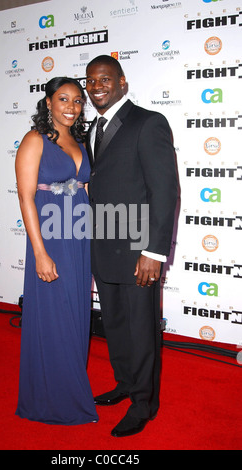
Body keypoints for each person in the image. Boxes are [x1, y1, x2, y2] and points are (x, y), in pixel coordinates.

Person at [85, 55, 178, 437]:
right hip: (103, 245)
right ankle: (124, 383)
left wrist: (154, 252)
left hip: (140, 251)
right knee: (117, 324)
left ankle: (144, 403)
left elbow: (165, 189)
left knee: (141, 329)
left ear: (122, 82)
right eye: (91, 81)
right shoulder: (92, 126)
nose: (96, 87)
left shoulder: (148, 122)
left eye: (105, 79)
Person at [15, 77, 98, 425]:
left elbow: (87, 191)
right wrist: (40, 253)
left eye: (77, 100)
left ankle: (70, 379)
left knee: (77, 311)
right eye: (63, 99)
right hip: (50, 237)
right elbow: (26, 197)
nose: (71, 106)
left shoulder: (80, 139)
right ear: (48, 102)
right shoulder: (35, 140)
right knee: (55, 313)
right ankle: (54, 397)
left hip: (80, 236)